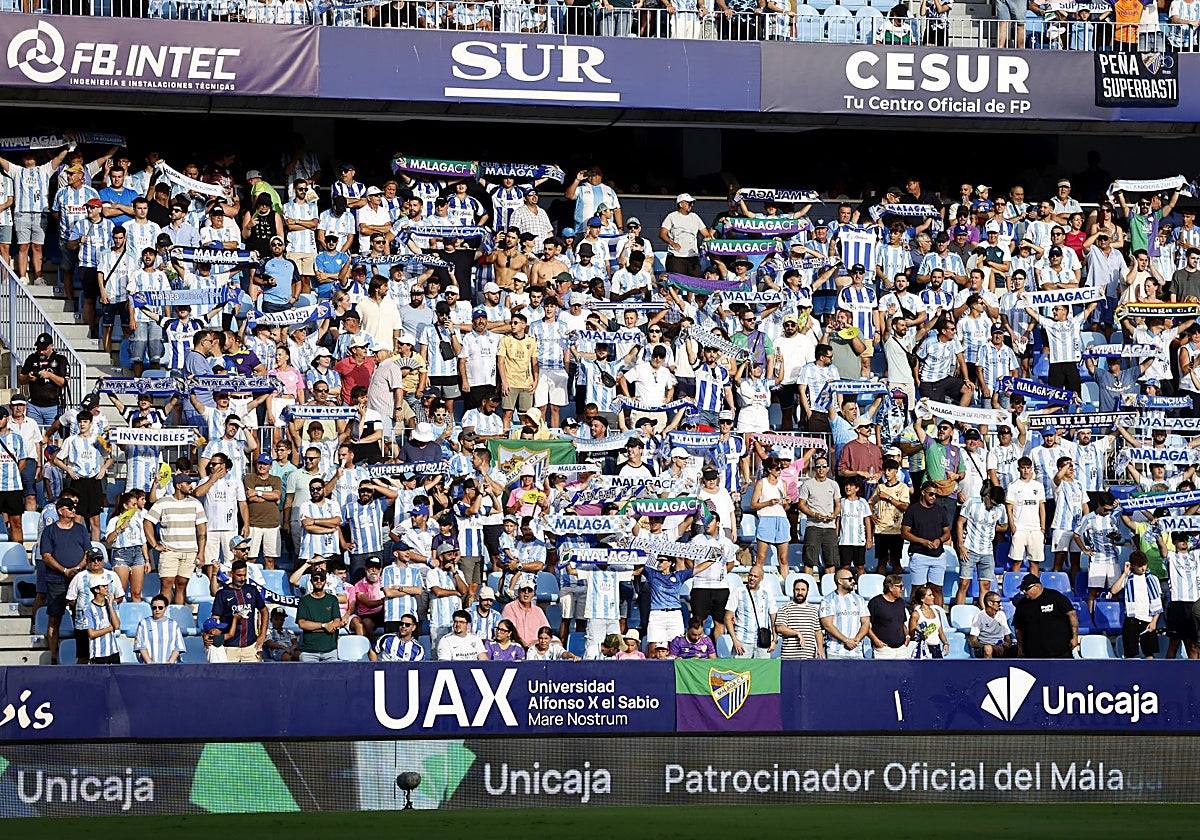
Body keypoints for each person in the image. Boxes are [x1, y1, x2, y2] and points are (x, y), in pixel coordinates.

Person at [39, 495, 92, 665]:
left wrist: (77, 569)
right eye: (70, 508)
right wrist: (64, 570)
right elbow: (46, 556)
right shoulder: (50, 531)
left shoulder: (80, 529)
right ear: (61, 511)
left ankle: (82, 656)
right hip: (56, 579)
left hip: (78, 579)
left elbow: (87, 552)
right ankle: (53, 656)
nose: (74, 510)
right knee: (55, 617)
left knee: (81, 617)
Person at [143, 473, 208, 605]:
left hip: (190, 551)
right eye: (188, 483)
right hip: (169, 551)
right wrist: (155, 545)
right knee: (166, 585)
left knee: (182, 586)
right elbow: (147, 522)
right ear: (178, 486)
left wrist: (201, 552)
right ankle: (164, 618)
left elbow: (202, 530)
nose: (191, 486)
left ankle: (179, 616)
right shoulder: (163, 502)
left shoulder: (196, 504)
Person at [955, 486, 1008, 606]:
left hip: (987, 551)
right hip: (969, 548)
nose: (993, 506)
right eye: (992, 503)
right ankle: (959, 612)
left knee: (985, 585)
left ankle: (985, 615)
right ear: (987, 495)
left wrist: (992, 528)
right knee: (964, 583)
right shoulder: (972, 502)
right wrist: (961, 546)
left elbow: (1004, 526)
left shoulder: (1000, 508)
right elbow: (960, 522)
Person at [901, 482, 951, 605]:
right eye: (931, 494)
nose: (934, 497)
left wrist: (939, 540)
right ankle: (914, 616)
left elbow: (947, 533)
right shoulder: (913, 510)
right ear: (923, 493)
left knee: (937, 589)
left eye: (936, 495)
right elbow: (904, 532)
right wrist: (922, 541)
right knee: (917, 589)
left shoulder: (940, 511)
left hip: (938, 555)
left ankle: (939, 617)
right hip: (919, 554)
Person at [210, 559, 269, 663]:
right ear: (231, 574)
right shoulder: (223, 594)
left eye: (245, 575)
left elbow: (264, 611)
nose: (243, 579)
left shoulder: (252, 590)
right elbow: (215, 618)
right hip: (230, 647)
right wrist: (208, 635)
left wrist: (262, 634)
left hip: (250, 646)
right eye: (239, 575)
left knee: (254, 677)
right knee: (229, 678)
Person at [1109, 552, 1163, 660]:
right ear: (1133, 565)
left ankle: (1150, 676)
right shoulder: (1128, 578)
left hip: (1148, 619)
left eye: (1144, 565)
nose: (1143, 568)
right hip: (1132, 619)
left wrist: (1154, 622)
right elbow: (1114, 590)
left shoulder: (1153, 579)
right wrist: (1125, 573)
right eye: (1139, 566)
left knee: (1149, 653)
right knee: (1130, 653)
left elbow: (1157, 603)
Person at [1013, 573, 1079, 658]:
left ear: (1037, 586)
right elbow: (1018, 629)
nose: (1024, 592)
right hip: (1033, 654)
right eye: (1022, 589)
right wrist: (1020, 648)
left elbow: (1072, 614)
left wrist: (1075, 637)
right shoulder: (1022, 604)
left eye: (1026, 589)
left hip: (1060, 651)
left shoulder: (1055, 597)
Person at [796, 455, 840, 573]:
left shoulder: (833, 484)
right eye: (818, 466)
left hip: (829, 527)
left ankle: (830, 587)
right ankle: (808, 587)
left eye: (823, 466)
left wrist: (834, 514)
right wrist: (814, 514)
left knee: (831, 561)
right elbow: (801, 505)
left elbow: (838, 504)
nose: (821, 469)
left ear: (827, 468)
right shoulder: (807, 484)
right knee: (809, 561)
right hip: (813, 526)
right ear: (815, 468)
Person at [724, 566, 777, 658]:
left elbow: (774, 617)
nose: (752, 578)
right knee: (739, 671)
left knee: (762, 672)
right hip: (742, 641)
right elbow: (727, 617)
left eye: (755, 576)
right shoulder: (738, 591)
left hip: (763, 642)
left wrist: (774, 640)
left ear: (761, 578)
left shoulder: (767, 593)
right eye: (750, 575)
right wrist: (735, 640)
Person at [1005, 457, 1046, 575]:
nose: (1026, 471)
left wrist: (1042, 527)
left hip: (1035, 528)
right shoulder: (1013, 486)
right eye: (1023, 468)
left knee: (1034, 562)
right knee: (1017, 561)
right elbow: (1009, 508)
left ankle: (1035, 589)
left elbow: (1041, 507)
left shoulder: (1038, 486)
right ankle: (1014, 589)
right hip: (1019, 528)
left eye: (1028, 468)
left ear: (1031, 469)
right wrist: (1012, 526)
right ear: (1019, 469)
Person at [819, 570, 871, 659]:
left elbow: (866, 622)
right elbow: (828, 626)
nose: (853, 582)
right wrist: (846, 641)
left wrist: (857, 640)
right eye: (850, 579)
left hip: (857, 651)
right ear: (840, 581)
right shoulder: (828, 600)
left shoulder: (859, 599)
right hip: (835, 652)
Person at [296, 564, 343, 662]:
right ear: (311, 581)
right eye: (315, 579)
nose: (318, 581)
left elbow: (337, 622)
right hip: (309, 651)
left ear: (325, 581)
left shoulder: (332, 599)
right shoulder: (304, 601)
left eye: (321, 579)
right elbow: (302, 624)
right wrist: (324, 626)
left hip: (330, 650)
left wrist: (313, 627)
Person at [774, 577, 824, 659]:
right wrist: (797, 633)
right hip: (789, 656)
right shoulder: (785, 608)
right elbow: (780, 628)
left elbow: (818, 631)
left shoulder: (813, 609)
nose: (800, 592)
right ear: (793, 590)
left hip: (808, 656)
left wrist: (820, 648)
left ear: (807, 591)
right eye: (797, 589)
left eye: (803, 590)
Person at [75, 577, 121, 665]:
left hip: (114, 652)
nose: (107, 588)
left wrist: (110, 606)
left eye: (107, 585)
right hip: (98, 655)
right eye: (104, 586)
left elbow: (117, 625)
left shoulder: (113, 604)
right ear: (96, 590)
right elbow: (92, 634)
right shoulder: (88, 609)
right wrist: (110, 628)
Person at [133, 594, 187, 664]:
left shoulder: (173, 624)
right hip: (148, 667)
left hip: (169, 667)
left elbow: (178, 646)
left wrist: (170, 662)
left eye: (160, 607)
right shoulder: (143, 623)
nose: (157, 610)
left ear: (166, 607)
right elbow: (140, 645)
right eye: (154, 608)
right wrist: (149, 662)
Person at [867, 574, 910, 659]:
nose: (902, 590)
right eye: (900, 586)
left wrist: (907, 636)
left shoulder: (901, 602)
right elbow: (866, 625)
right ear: (890, 588)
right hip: (883, 650)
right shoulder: (875, 603)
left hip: (901, 649)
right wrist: (876, 641)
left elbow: (902, 623)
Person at [968, 592, 1016, 658]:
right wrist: (992, 646)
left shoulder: (1002, 614)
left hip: (1001, 646)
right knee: (988, 649)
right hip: (984, 647)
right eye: (998, 602)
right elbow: (973, 641)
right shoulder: (979, 617)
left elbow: (1007, 637)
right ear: (990, 603)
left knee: (1018, 648)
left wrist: (1007, 643)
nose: (1000, 604)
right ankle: (988, 668)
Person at [908, 584, 948, 659]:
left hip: (937, 648)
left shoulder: (937, 612)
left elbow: (940, 631)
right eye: (930, 595)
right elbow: (912, 635)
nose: (933, 597)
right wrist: (920, 635)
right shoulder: (916, 614)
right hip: (923, 649)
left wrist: (945, 643)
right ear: (922, 599)